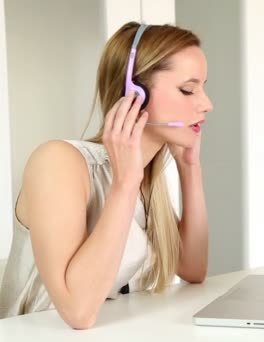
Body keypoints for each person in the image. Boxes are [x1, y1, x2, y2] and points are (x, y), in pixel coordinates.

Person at [0, 21, 213, 329]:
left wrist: (190, 167)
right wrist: (125, 185)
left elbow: (193, 269)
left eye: (203, 88)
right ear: (134, 93)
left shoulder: (145, 178)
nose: (207, 104)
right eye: (187, 89)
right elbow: (78, 312)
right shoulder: (59, 162)